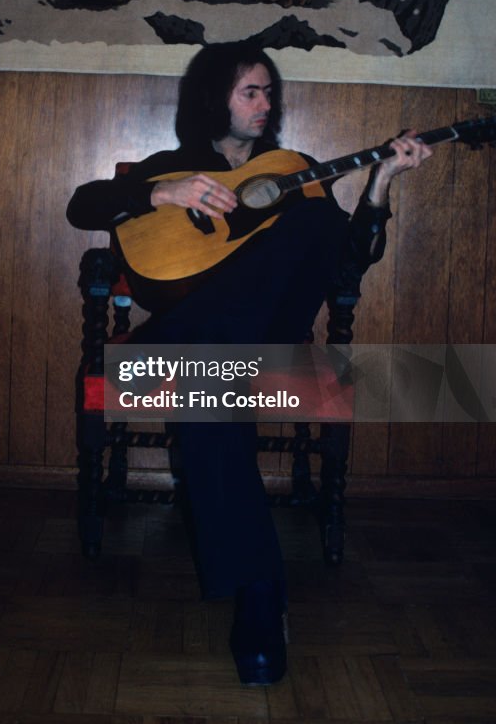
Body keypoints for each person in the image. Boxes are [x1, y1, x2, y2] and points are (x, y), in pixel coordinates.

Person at [66, 41, 432, 685]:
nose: (266, 104)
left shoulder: (295, 167)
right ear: (214, 97)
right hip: (206, 342)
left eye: (269, 92)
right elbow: (84, 204)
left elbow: (348, 263)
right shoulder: (174, 164)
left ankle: (256, 588)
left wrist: (379, 184)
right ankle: (261, 594)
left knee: (318, 222)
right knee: (214, 390)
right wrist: (158, 191)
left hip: (254, 335)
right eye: (250, 92)